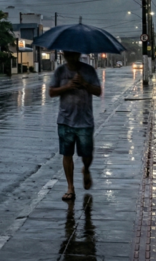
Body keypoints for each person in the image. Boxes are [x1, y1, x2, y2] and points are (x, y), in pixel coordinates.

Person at [48, 50, 102, 201]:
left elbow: (98, 91)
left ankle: (86, 169)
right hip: (65, 120)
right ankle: (70, 187)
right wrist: (68, 86)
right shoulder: (60, 71)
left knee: (86, 154)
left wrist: (84, 83)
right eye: (68, 54)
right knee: (67, 154)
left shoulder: (88, 70)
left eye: (74, 54)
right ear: (64, 55)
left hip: (85, 121)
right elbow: (51, 92)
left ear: (78, 55)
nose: (71, 57)